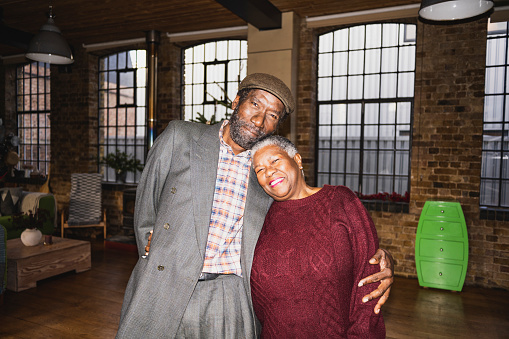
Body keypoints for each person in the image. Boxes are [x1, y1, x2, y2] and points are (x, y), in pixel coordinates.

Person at [116, 73, 393, 339]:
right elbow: (146, 203)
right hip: (165, 282)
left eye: (272, 115)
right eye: (255, 104)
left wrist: (378, 255)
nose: (260, 120)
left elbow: (308, 213)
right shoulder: (182, 137)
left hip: (228, 295)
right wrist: (153, 248)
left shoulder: (266, 174)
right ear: (236, 102)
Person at [250, 135, 386, 338]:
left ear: (297, 160)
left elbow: (370, 281)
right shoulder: (259, 218)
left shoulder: (340, 202)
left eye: (275, 160)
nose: (269, 171)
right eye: (259, 170)